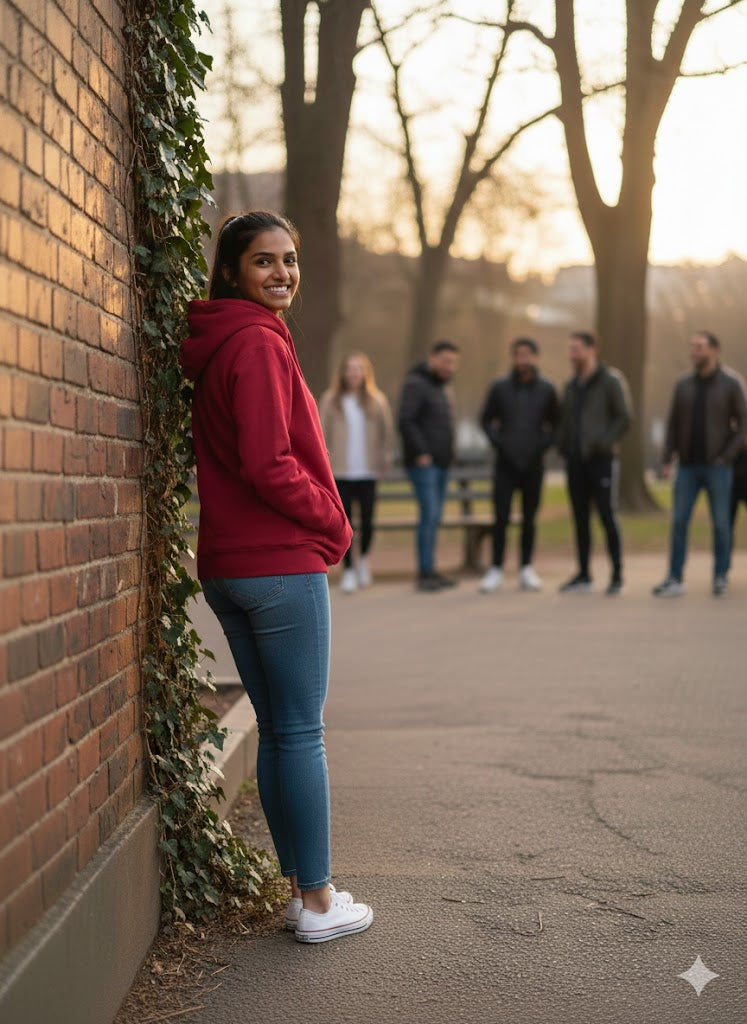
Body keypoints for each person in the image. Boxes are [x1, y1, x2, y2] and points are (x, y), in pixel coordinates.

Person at [180, 211, 373, 943]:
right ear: (232, 271)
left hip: (230, 567)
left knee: (280, 733)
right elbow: (267, 461)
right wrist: (333, 522)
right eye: (264, 261)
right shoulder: (257, 343)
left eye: (289, 260)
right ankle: (319, 903)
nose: (282, 273)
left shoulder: (220, 340)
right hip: (276, 565)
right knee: (299, 731)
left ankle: (303, 892)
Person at [652, 331, 747, 597]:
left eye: (700, 347)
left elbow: (743, 423)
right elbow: (672, 424)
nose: (694, 351)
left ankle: (720, 575)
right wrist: (667, 458)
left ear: (714, 350)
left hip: (718, 467)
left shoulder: (730, 383)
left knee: (721, 523)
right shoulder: (683, 385)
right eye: (692, 347)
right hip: (687, 468)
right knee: (680, 521)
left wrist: (726, 456)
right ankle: (674, 577)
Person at [478, 337, 559, 593]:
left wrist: (542, 445)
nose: (522, 360)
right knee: (500, 518)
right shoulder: (500, 388)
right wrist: (499, 442)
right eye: (518, 355)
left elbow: (557, 424)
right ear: (513, 357)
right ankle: (496, 569)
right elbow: (485, 419)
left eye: (526, 355)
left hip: (533, 463)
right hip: (505, 464)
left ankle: (526, 568)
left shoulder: (547, 389)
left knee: (529, 518)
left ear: (535, 357)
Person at [556, 331, 632, 596]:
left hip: (602, 461)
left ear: (592, 350)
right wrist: (562, 445)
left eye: (577, 349)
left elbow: (624, 417)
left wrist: (604, 442)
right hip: (575, 461)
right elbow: (564, 421)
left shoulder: (610, 381)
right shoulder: (570, 385)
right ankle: (584, 575)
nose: (572, 355)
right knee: (580, 519)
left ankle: (617, 575)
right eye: (571, 350)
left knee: (607, 516)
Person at [319, 352, 394, 594]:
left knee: (369, 521)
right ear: (342, 373)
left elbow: (387, 433)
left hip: (368, 471)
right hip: (340, 471)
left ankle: (364, 561)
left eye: (358, 368)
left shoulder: (377, 400)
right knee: (346, 523)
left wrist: (384, 460)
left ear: (364, 373)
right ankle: (349, 569)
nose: (353, 373)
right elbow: (321, 434)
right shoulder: (330, 401)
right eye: (349, 368)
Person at [398, 340, 460, 592]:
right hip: (425, 464)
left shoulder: (441, 387)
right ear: (432, 358)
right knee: (429, 516)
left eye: (453, 362)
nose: (449, 366)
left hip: (442, 463)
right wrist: (421, 452)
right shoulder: (416, 384)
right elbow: (406, 420)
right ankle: (424, 574)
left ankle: (431, 570)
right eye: (445, 361)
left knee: (435, 517)